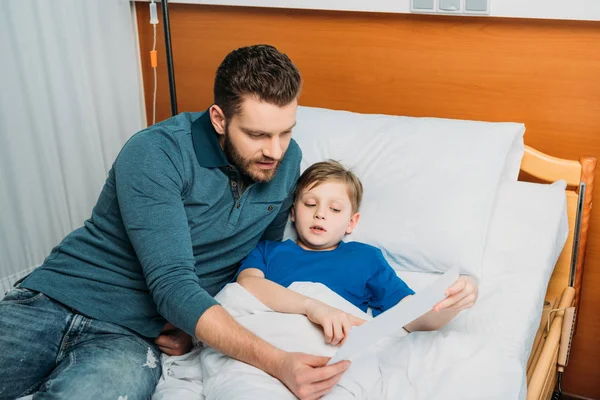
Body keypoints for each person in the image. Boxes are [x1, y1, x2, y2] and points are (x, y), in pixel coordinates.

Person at [0, 45, 351, 400]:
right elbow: (172, 284)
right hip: (51, 300)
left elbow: (260, 257)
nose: (275, 151)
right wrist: (279, 363)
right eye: (258, 135)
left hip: (129, 338)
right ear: (219, 119)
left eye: (285, 132)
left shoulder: (287, 162)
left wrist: (199, 324)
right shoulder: (156, 152)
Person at [237, 160, 479, 348]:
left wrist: (453, 302)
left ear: (351, 223)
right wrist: (313, 307)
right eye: (310, 204)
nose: (320, 214)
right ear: (292, 213)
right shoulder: (268, 250)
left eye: (334, 209)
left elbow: (412, 317)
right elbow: (246, 286)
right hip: (266, 341)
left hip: (324, 349)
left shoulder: (366, 259)